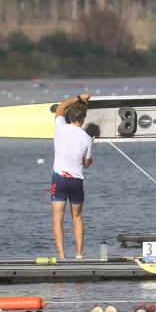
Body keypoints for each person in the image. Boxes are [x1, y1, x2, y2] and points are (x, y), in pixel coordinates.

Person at [50, 93, 94, 259]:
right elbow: (87, 164)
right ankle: (79, 255)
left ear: (69, 116)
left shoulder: (61, 126)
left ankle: (62, 256)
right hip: (76, 180)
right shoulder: (87, 139)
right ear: (83, 119)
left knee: (57, 219)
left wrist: (78, 98)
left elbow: (60, 107)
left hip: (59, 179)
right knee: (76, 217)